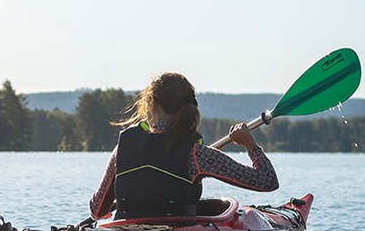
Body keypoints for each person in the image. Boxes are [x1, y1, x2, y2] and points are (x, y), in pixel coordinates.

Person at [88, 72, 278, 220]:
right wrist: (250, 144)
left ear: (150, 103)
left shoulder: (122, 149)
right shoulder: (198, 154)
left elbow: (97, 211)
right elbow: (267, 181)